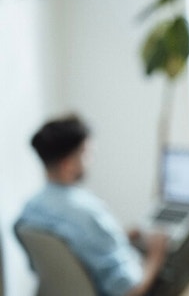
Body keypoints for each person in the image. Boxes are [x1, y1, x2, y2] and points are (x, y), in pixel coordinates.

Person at [15, 114, 169, 296]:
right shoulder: (86, 213)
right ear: (68, 165)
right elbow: (128, 289)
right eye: (87, 153)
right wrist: (156, 255)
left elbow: (72, 248)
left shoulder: (30, 209)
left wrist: (119, 235)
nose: (91, 159)